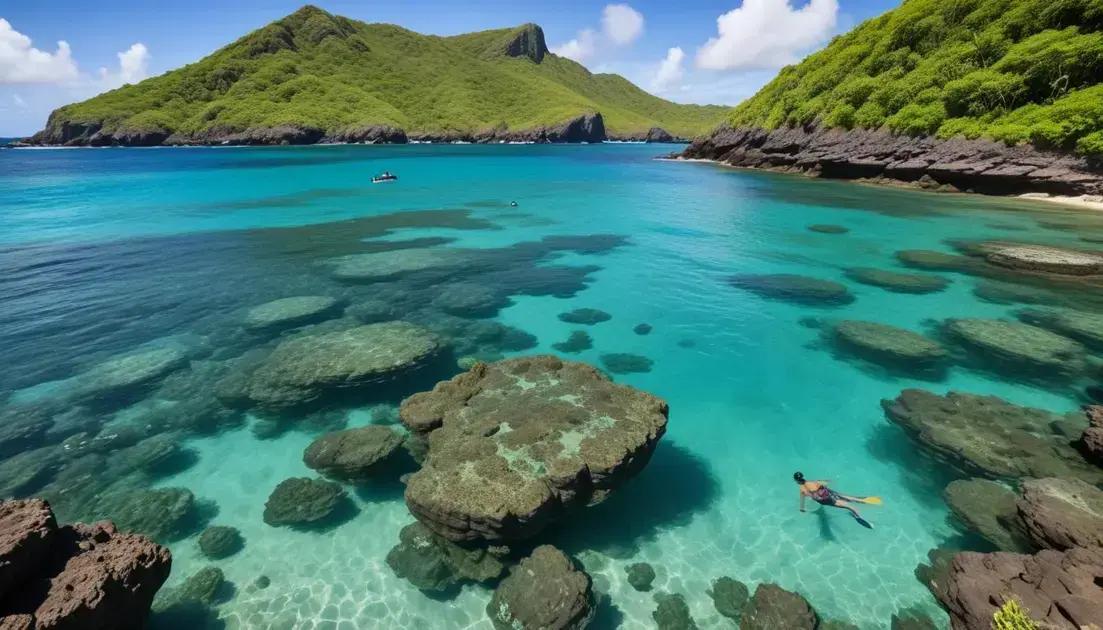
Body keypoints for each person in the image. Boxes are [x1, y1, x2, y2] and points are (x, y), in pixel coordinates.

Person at [794, 472, 873, 529]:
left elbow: (802, 501)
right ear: (803, 477)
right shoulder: (814, 482)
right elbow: (827, 482)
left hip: (825, 500)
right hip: (828, 493)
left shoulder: (802, 490)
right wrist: (828, 481)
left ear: (796, 481)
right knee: (845, 497)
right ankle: (862, 500)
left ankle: (858, 516)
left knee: (848, 506)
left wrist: (802, 509)